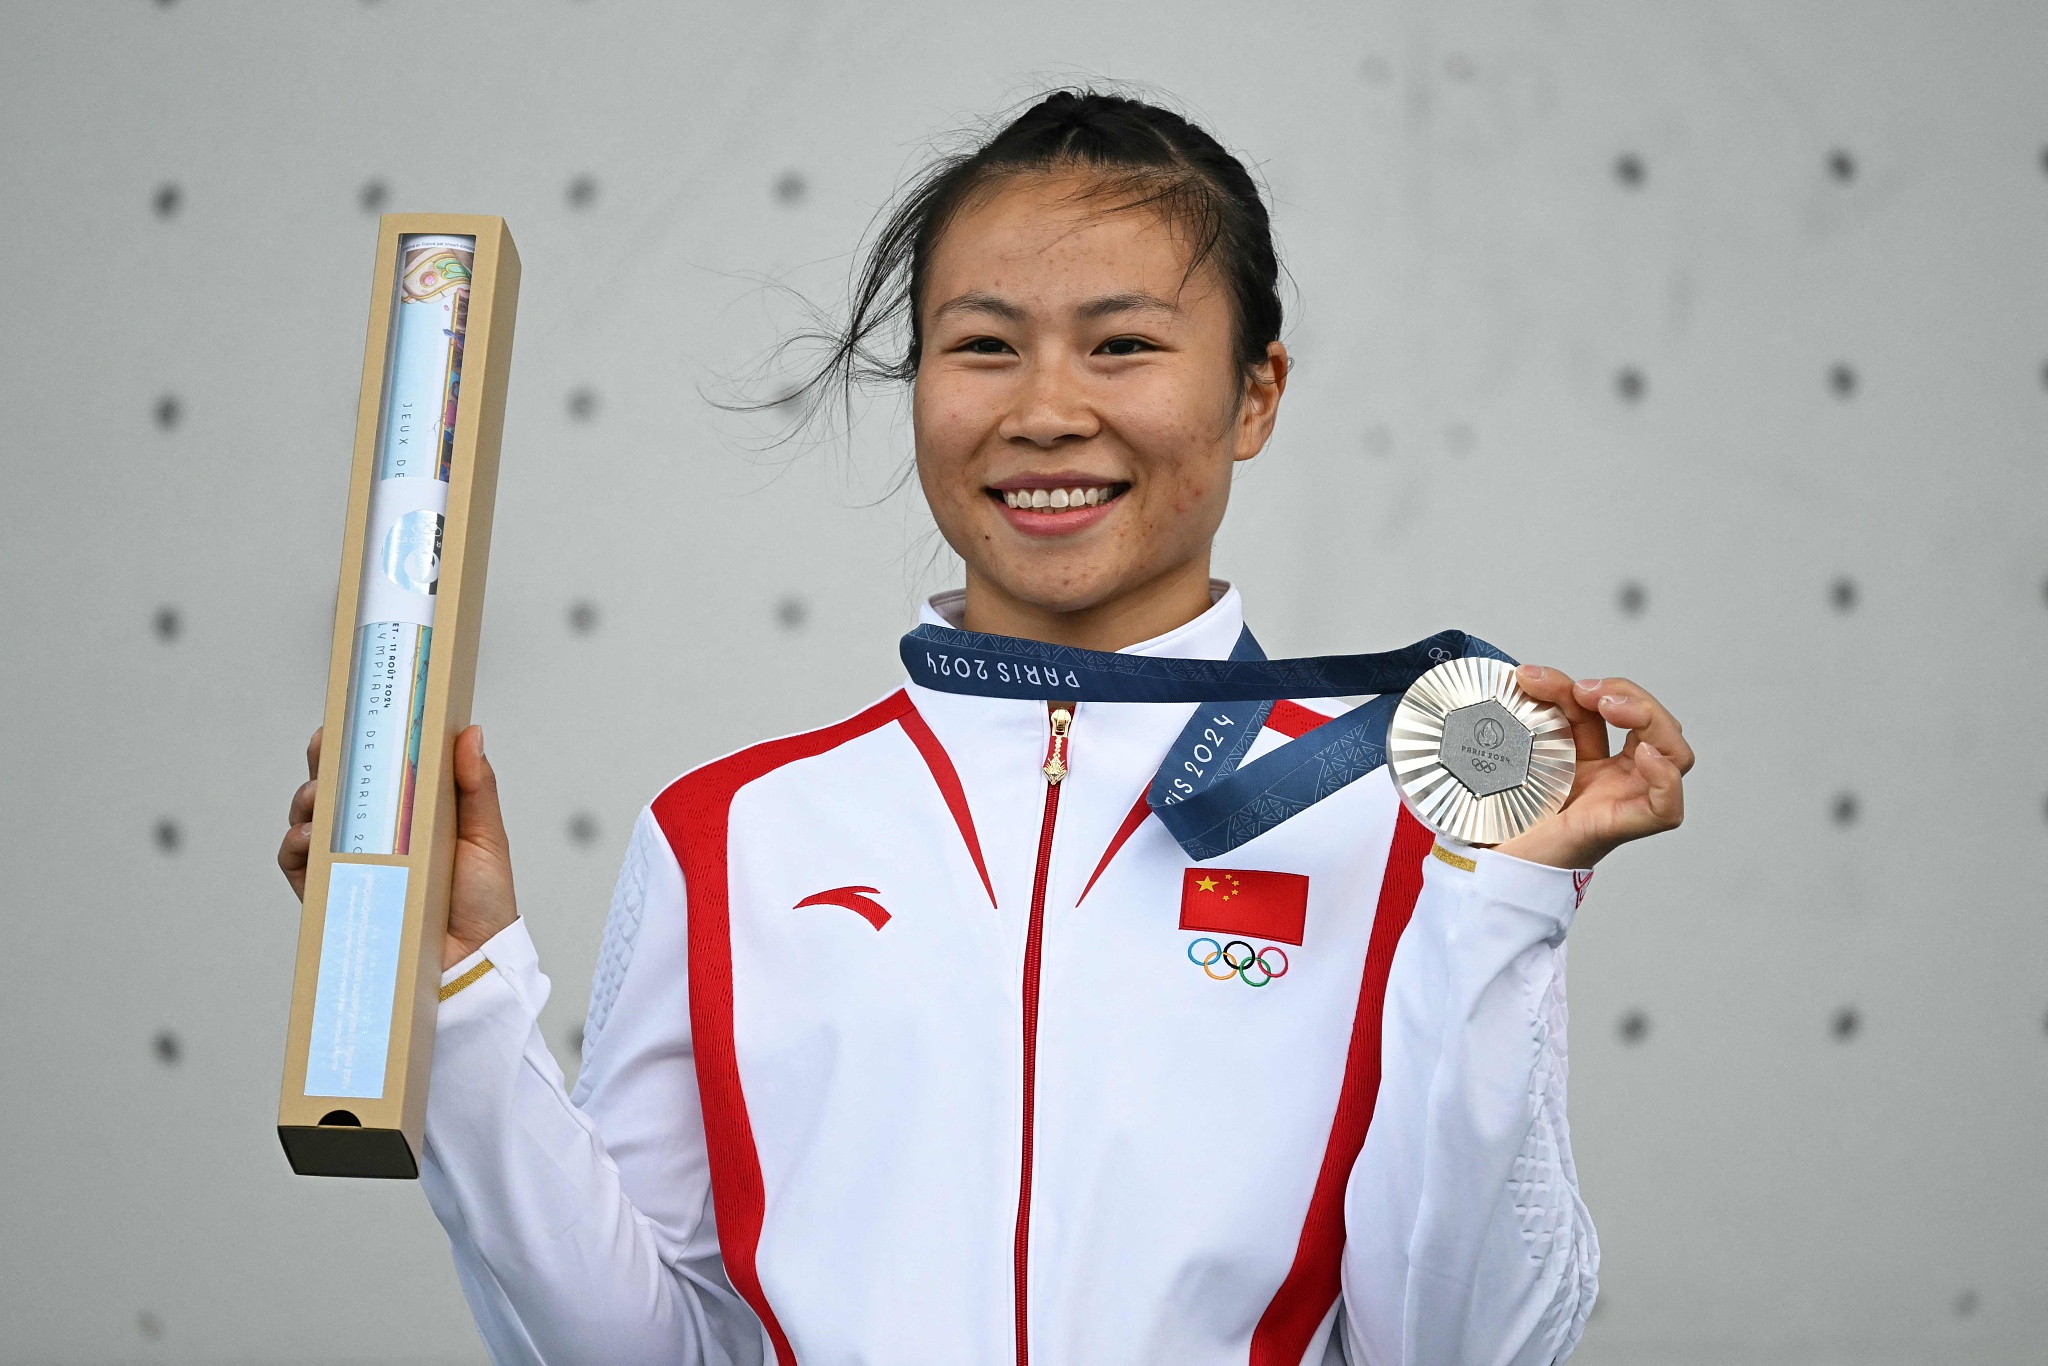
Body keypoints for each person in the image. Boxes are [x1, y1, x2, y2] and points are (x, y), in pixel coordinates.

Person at [279, 88, 1691, 1366]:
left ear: (1255, 391)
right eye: (984, 348)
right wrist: (456, 994)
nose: (1046, 410)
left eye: (1124, 344)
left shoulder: (1406, 821)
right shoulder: (733, 836)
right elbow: (639, 1350)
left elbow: (1462, 1348)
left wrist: (1506, 902)